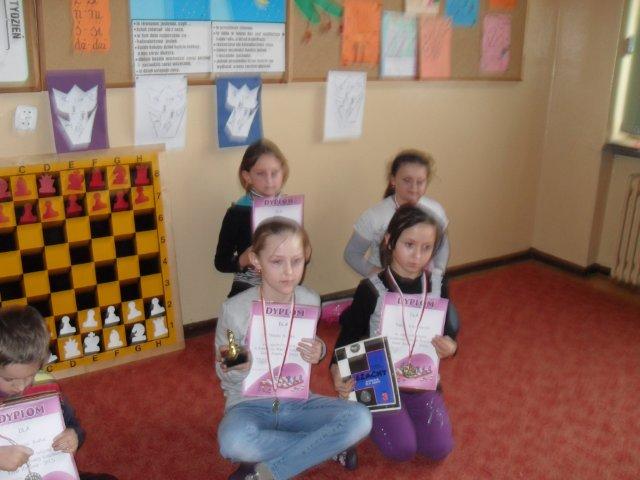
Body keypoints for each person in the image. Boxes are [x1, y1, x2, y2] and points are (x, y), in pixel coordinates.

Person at [216, 218, 372, 480]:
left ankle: (268, 472)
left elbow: (306, 343)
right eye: (277, 262)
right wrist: (238, 366)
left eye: (296, 261)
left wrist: (319, 349)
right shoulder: (234, 310)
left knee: (361, 418)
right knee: (232, 442)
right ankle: (327, 446)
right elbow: (226, 375)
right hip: (249, 405)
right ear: (255, 260)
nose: (288, 272)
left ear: (306, 256)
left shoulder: (310, 300)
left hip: (298, 402)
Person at [332, 205, 459, 462]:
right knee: (401, 449)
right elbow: (347, 339)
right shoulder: (371, 289)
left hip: (420, 381)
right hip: (379, 382)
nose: (417, 256)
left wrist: (450, 346)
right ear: (389, 241)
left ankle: (404, 411)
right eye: (409, 245)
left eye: (426, 248)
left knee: (439, 448)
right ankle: (364, 407)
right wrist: (337, 372)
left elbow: (448, 330)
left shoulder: (438, 286)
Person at [0, 306, 116, 480]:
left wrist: (73, 435)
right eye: (9, 379)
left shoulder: (46, 384)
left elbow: (72, 424)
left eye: (30, 376)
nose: (21, 387)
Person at [343, 149, 450, 298]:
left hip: (423, 284)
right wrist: (380, 275)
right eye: (407, 180)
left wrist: (438, 273)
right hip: (387, 288)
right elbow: (352, 254)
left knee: (448, 313)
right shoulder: (375, 216)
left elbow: (442, 244)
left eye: (420, 182)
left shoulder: (435, 211)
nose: (414, 188)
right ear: (393, 180)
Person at [214, 139, 290, 298]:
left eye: (275, 173)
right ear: (247, 176)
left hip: (284, 285)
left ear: (283, 172)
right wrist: (242, 260)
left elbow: (302, 257)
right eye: (261, 174)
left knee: (308, 299)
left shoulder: (290, 208)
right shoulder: (238, 213)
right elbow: (221, 262)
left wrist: (304, 252)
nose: (269, 181)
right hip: (248, 288)